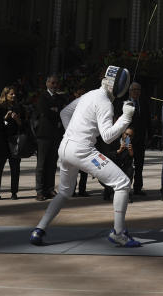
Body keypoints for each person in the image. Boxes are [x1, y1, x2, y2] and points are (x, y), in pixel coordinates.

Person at [30, 65, 139, 247]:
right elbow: (108, 136)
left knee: (65, 192)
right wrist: (126, 118)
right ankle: (118, 233)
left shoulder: (88, 95)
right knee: (122, 183)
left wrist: (72, 135)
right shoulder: (105, 102)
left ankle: (39, 230)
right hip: (82, 151)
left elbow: (65, 112)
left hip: (65, 147)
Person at [0, 86, 25, 200]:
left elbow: (24, 125)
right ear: (5, 95)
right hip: (1, 142)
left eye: (14, 94)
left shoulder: (18, 107)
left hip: (14, 142)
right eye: (11, 94)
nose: (14, 96)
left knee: (15, 169)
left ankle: (14, 192)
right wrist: (5, 118)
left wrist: (17, 120)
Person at [35, 75, 66, 201]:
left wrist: (55, 111)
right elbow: (45, 112)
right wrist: (55, 111)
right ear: (47, 83)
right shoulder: (42, 97)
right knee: (42, 164)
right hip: (44, 135)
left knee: (52, 164)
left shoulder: (59, 98)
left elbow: (62, 112)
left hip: (55, 135)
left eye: (56, 83)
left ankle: (50, 188)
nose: (54, 85)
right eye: (52, 83)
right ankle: (40, 190)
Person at [122, 80, 149, 196]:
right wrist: (125, 139)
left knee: (139, 165)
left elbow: (147, 121)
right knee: (127, 164)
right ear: (129, 91)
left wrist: (149, 135)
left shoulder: (143, 103)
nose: (136, 92)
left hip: (141, 139)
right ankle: (125, 188)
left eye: (138, 90)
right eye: (134, 90)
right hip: (128, 138)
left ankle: (138, 188)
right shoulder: (124, 103)